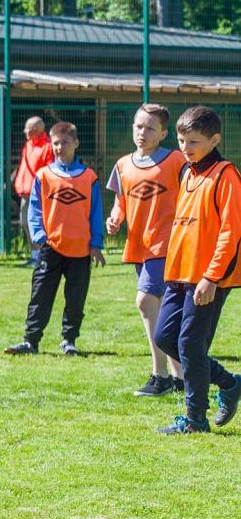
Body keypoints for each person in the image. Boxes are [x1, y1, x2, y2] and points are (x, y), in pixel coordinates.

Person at [152, 105, 241, 434]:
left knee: (189, 344)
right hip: (179, 275)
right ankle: (229, 383)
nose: (185, 148)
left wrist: (211, 277)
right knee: (165, 337)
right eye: (180, 140)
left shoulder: (225, 174)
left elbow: (231, 233)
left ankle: (195, 419)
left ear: (214, 139)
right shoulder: (188, 172)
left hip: (207, 279)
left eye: (193, 142)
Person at [104, 104, 186, 397]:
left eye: (150, 128)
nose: (143, 132)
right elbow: (120, 201)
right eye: (139, 126)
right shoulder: (123, 164)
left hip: (168, 244)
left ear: (164, 133)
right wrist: (115, 218)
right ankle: (180, 377)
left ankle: (160, 374)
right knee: (161, 310)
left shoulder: (176, 160)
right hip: (139, 246)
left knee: (144, 301)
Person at [4, 121, 105, 356]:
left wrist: (96, 243)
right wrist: (39, 235)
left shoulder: (89, 177)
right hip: (51, 247)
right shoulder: (44, 175)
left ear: (76, 144)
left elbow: (96, 212)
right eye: (56, 143)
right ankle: (31, 341)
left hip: (80, 250)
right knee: (40, 294)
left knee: (75, 298)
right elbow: (35, 209)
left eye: (65, 142)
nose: (60, 147)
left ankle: (69, 340)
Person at [14, 116, 55, 266]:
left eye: (26, 129)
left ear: (34, 129)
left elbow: (49, 171)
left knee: (40, 224)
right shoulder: (27, 145)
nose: (24, 131)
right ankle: (36, 255)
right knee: (25, 223)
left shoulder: (48, 146)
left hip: (39, 193)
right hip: (25, 192)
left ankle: (44, 255)